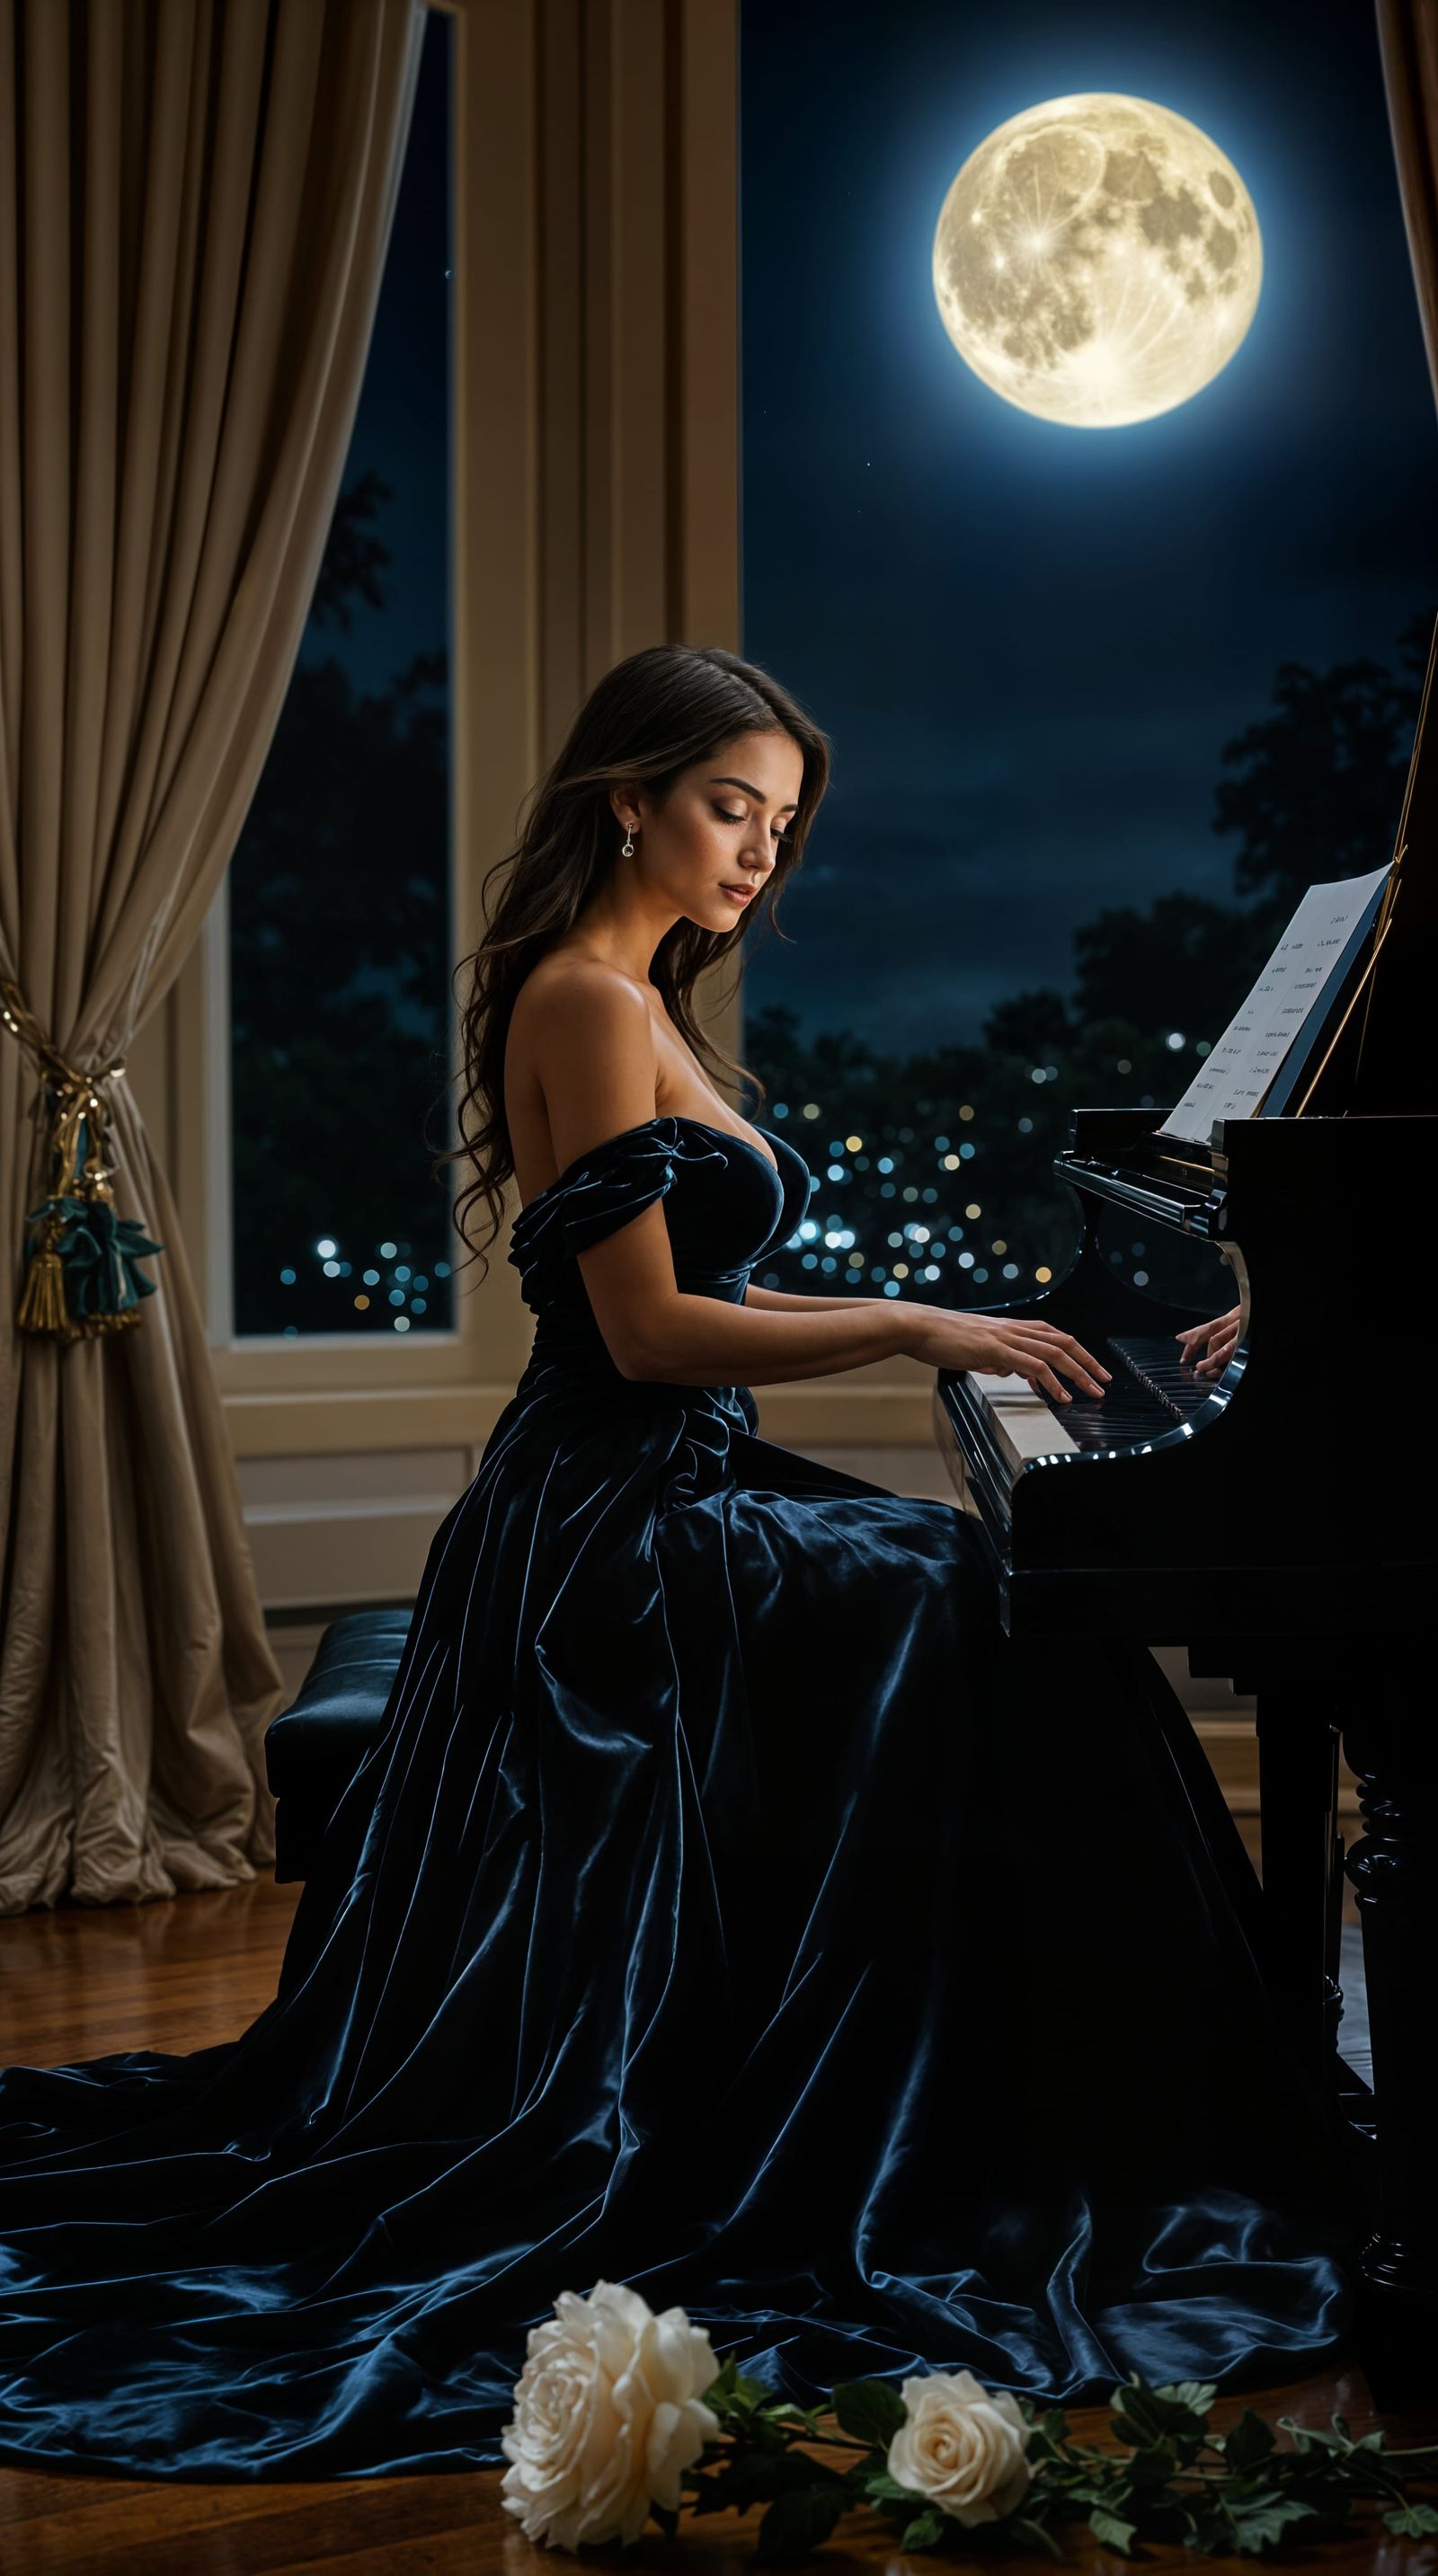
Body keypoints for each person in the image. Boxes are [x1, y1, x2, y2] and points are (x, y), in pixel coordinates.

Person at [0, 644, 1357, 2483]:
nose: (755, 853)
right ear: (624, 794)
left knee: (978, 1598)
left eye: (778, 825)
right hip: (608, 1523)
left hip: (661, 1484)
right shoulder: (578, 999)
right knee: (963, 1605)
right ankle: (1051, 2125)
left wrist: (938, 1319)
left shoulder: (641, 998)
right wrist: (903, 1323)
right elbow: (642, 1337)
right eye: (729, 806)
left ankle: (1077, 2112)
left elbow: (702, 1303)